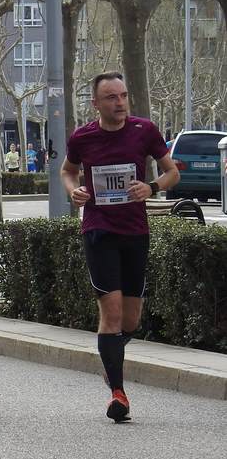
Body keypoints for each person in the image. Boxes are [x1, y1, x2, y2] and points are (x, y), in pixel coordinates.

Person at [60, 71, 180, 423]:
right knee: (111, 314)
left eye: (124, 96)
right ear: (96, 104)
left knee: (131, 319)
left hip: (135, 231)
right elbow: (68, 171)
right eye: (112, 98)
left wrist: (153, 187)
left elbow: (172, 171)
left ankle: (110, 358)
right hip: (99, 230)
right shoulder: (83, 137)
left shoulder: (145, 131)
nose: (120, 103)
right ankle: (118, 394)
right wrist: (73, 190)